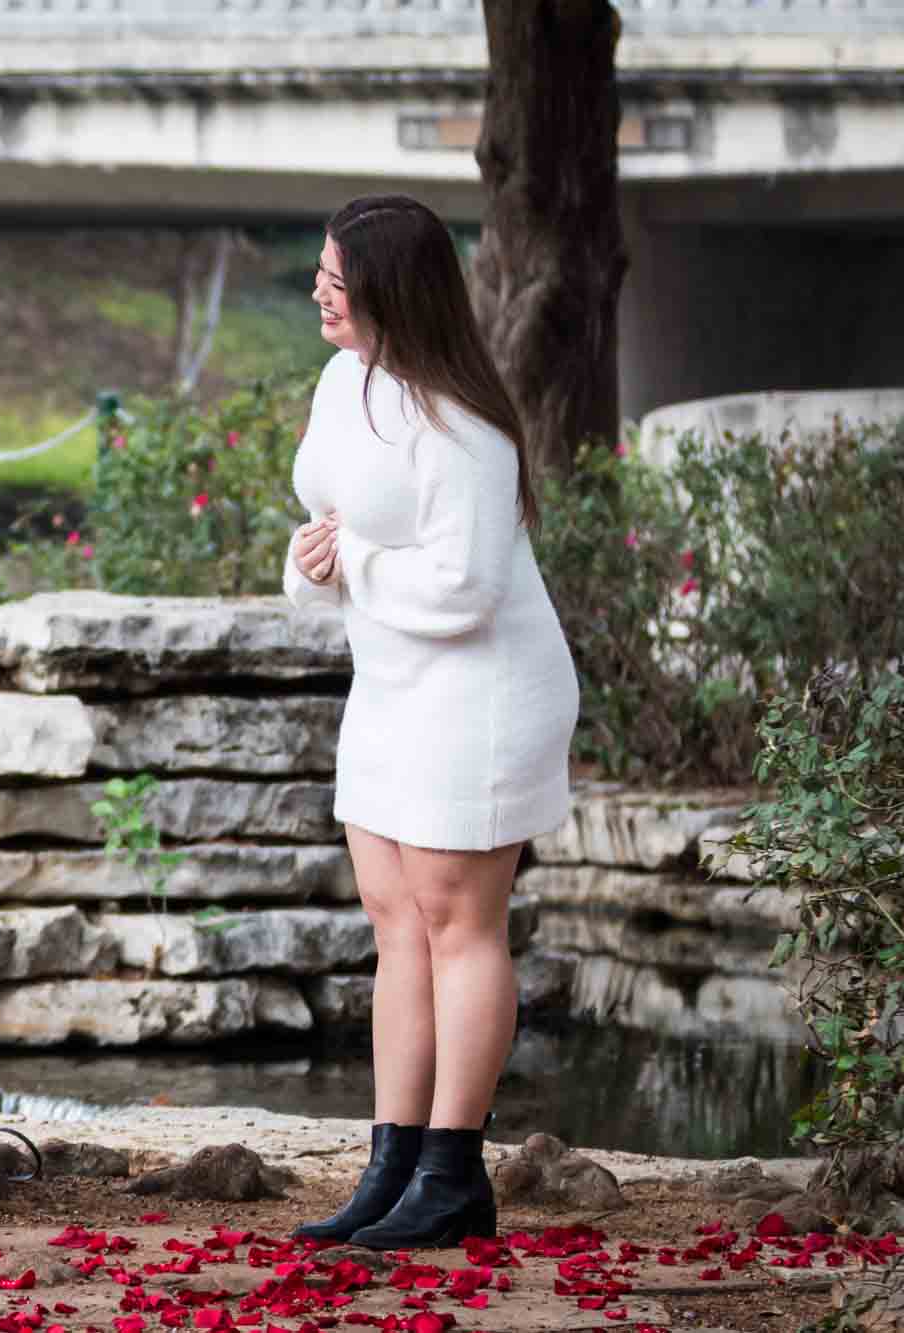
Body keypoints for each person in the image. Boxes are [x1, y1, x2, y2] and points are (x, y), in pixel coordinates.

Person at [281, 196, 579, 1249]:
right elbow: (324, 521)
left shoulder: (464, 427)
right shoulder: (339, 382)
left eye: (335, 277)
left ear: (390, 290)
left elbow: (462, 589)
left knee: (458, 924)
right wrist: (319, 562)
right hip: (390, 682)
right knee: (394, 920)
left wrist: (349, 561)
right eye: (318, 272)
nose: (318, 291)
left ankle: (454, 1174)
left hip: (479, 691)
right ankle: (391, 1162)